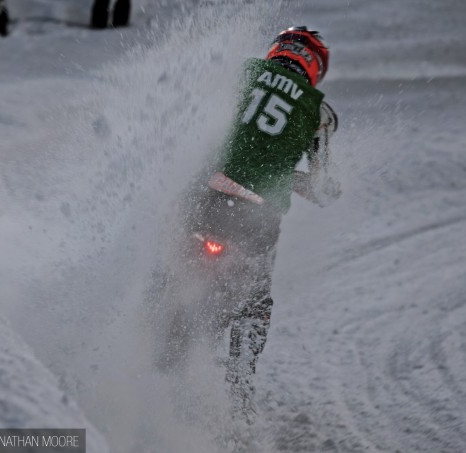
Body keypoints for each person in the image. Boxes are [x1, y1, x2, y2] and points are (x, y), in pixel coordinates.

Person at [179, 26, 340, 418]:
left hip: (206, 194)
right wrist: (305, 182)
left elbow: (197, 127)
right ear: (314, 66)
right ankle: (238, 387)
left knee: (166, 256)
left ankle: (146, 323)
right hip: (253, 215)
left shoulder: (243, 74)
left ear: (277, 51)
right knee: (254, 305)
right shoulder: (319, 112)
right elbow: (318, 186)